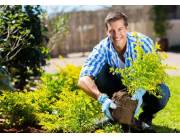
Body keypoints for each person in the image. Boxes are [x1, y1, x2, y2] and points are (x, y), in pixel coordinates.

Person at [77, 11, 170, 132]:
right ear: (107, 32)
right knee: (99, 74)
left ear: (126, 28)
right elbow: (83, 79)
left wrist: (141, 90)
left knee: (162, 92)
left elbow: (158, 73)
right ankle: (115, 114)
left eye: (120, 29)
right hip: (117, 88)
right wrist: (101, 98)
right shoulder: (102, 48)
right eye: (112, 31)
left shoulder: (142, 42)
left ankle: (146, 117)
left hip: (142, 86)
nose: (116, 35)